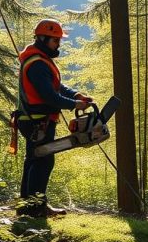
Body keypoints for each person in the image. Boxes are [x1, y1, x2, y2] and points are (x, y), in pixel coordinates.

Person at [15, 19, 93, 217]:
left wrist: (76, 95)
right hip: (37, 121)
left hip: (35, 120)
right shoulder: (37, 64)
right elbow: (49, 96)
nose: (58, 45)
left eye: (59, 41)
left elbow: (57, 87)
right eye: (55, 41)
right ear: (42, 38)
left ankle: (28, 206)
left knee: (34, 159)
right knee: (43, 160)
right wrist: (74, 105)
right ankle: (35, 207)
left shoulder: (39, 60)